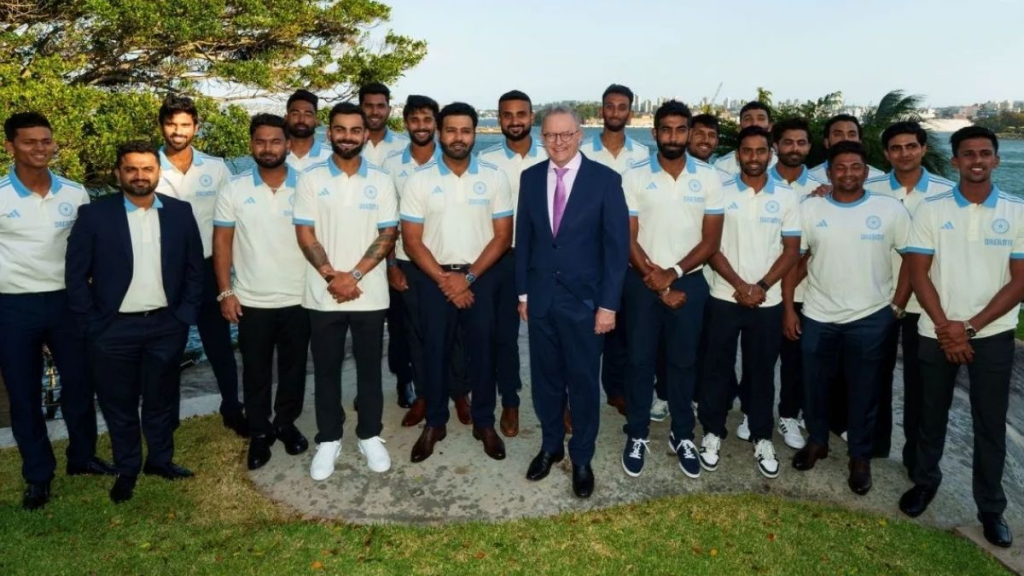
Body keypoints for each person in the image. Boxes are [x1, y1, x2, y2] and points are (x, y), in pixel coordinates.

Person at [899, 127, 1021, 548]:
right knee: (930, 415)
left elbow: (1019, 282)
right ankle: (924, 482)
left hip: (993, 334)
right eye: (968, 154)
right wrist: (946, 326)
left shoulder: (1018, 211)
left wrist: (968, 328)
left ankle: (991, 508)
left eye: (985, 153)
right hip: (935, 329)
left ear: (996, 160)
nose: (977, 160)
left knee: (990, 423)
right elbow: (918, 273)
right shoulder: (930, 210)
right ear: (955, 162)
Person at [66, 140, 204, 504]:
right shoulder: (94, 215)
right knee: (119, 404)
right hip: (112, 329)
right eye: (131, 169)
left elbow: (194, 269)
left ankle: (160, 460)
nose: (140, 176)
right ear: (118, 173)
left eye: (147, 168)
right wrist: (91, 323)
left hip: (166, 325)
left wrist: (184, 315)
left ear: (158, 171)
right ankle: (127, 468)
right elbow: (75, 275)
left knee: (161, 398)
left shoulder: (180, 212)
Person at [0, 112, 114, 510]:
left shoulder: (75, 193)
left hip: (68, 302)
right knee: (24, 393)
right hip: (13, 306)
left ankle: (82, 456)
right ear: (10, 146)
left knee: (80, 385)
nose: (40, 148)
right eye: (29, 141)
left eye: (45, 141)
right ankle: (37, 475)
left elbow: (89, 252)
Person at [516, 105, 629, 498]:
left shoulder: (605, 180)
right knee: (545, 382)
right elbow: (524, 239)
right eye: (550, 135)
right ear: (542, 137)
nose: (558, 142)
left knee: (582, 384)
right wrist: (523, 294)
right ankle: (550, 446)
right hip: (541, 300)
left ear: (580, 135)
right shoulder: (530, 178)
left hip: (586, 303)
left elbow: (617, 250)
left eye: (566, 134)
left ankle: (582, 456)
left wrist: (608, 306)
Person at [789, 141, 911, 497]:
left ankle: (860, 457)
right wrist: (787, 307)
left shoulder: (889, 209)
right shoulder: (810, 208)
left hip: (871, 317)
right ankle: (817, 441)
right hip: (818, 314)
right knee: (814, 385)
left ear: (866, 171)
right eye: (840, 167)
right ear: (829, 172)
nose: (848, 173)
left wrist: (896, 307)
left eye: (855, 166)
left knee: (865, 390)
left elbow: (913, 260)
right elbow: (797, 261)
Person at [400, 102, 513, 463]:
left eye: (465, 130)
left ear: (474, 134)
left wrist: (467, 278)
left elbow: (503, 236)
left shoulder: (494, 176)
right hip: (434, 277)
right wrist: (444, 279)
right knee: (434, 352)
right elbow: (411, 240)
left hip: (481, 276)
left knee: (483, 353)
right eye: (451, 130)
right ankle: (435, 423)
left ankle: (484, 422)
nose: (458, 137)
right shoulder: (419, 180)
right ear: (439, 133)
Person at [619, 101, 724, 480]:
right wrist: (657, 280)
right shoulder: (634, 176)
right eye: (667, 129)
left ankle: (683, 435)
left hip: (689, 282)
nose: (674, 137)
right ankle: (637, 433)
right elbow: (627, 237)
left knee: (683, 363)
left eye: (681, 130)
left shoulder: (710, 178)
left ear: (690, 133)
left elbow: (711, 241)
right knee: (639, 362)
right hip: (641, 280)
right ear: (655, 133)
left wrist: (675, 272)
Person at [294, 103, 399, 479]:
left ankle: (369, 434)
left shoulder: (382, 180)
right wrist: (331, 276)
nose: (348, 137)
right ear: (329, 133)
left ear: (365, 135)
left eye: (356, 130)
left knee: (370, 369)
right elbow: (305, 232)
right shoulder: (310, 178)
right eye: (340, 129)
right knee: (326, 370)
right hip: (323, 293)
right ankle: (329, 438)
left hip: (369, 294)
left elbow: (388, 234)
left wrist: (352, 276)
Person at [697, 126, 800, 479]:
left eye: (760, 151)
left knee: (761, 373)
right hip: (724, 296)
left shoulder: (787, 197)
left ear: (770, 153)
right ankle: (712, 432)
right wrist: (741, 285)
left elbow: (791, 250)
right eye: (747, 151)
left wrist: (762, 286)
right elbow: (710, 246)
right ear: (738, 154)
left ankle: (761, 436)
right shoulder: (721, 191)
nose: (754, 157)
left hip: (766, 302)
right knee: (716, 369)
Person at [213, 114, 310, 471]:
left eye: (275, 141)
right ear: (251, 144)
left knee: (294, 369)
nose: (267, 148)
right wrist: (225, 292)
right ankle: (259, 431)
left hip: (300, 297)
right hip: (251, 299)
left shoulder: (308, 185)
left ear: (288, 144)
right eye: (260, 141)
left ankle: (285, 423)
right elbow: (222, 243)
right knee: (255, 371)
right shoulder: (233, 189)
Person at [155, 94, 246, 436]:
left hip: (208, 269)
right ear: (161, 126)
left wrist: (231, 279)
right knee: (168, 348)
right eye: (171, 124)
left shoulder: (216, 167)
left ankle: (232, 408)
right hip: (165, 273)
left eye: (185, 124)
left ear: (196, 127)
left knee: (219, 345)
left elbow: (233, 220)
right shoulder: (148, 166)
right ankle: (167, 416)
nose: (178, 131)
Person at [864, 121, 953, 463]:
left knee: (921, 386)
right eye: (896, 148)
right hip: (876, 300)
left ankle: (916, 459)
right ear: (887, 154)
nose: (904, 153)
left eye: (911, 146)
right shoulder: (869, 190)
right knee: (874, 378)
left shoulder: (947, 193)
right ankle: (875, 445)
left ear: (923, 148)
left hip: (925, 305)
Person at [381, 95, 472, 427]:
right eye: (415, 119)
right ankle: (424, 396)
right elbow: (387, 221)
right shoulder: (391, 164)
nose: (421, 126)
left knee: (458, 335)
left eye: (427, 120)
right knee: (417, 335)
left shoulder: (454, 159)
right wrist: (392, 265)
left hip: (453, 262)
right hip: (410, 262)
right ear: (406, 122)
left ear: (437, 125)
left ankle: (460, 393)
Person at [478, 89, 549, 437]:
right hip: (503, 258)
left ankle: (559, 401)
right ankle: (510, 400)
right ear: (499, 118)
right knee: (504, 336)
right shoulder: (486, 160)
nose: (515, 120)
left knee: (552, 333)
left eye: (521, 114)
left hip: (546, 258)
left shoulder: (553, 154)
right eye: (507, 115)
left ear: (532, 117)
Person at [580, 84, 648, 416]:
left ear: (630, 113)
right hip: (588, 253)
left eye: (622, 107)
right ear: (601, 110)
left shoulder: (644, 155)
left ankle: (616, 389)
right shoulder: (582, 151)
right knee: (584, 329)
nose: (615, 112)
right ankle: (579, 395)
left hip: (628, 253)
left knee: (622, 328)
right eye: (610, 106)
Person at [772, 117, 827, 450]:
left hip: (803, 290)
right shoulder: (756, 179)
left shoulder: (823, 188)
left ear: (809, 146)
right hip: (760, 288)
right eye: (788, 142)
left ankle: (789, 414)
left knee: (796, 359)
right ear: (775, 146)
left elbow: (818, 246)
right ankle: (751, 411)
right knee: (760, 358)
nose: (795, 148)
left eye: (801, 142)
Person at [808, 114, 884, 182]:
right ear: (826, 142)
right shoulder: (811, 178)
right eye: (838, 134)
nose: (845, 139)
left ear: (860, 142)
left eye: (852, 135)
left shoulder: (878, 177)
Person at [712, 102, 778, 177]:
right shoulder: (722, 166)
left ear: (770, 126)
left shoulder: (782, 164)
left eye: (761, 119)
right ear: (739, 127)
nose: (754, 123)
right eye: (748, 119)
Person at [359, 83, 410, 166]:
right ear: (359, 109)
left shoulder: (406, 146)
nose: (375, 112)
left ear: (389, 110)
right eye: (369, 106)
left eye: (380, 106)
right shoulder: (347, 146)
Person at [284, 89, 333, 171]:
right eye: (295, 114)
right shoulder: (274, 155)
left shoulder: (332, 157)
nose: (301, 119)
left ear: (316, 120)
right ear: (286, 118)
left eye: (308, 114)